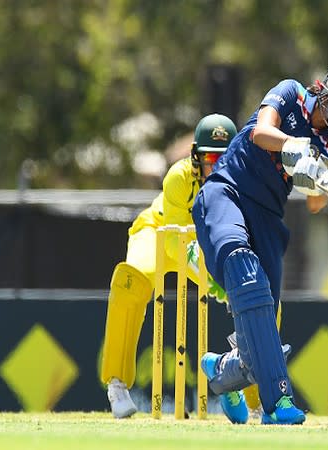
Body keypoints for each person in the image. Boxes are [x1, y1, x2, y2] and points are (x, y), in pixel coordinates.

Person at [192, 56, 328, 425]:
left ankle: (220, 372)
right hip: (228, 192)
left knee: (256, 342)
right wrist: (295, 148)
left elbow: (314, 204)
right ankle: (278, 404)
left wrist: (315, 175)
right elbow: (262, 133)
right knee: (246, 275)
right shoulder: (291, 94)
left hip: (267, 218)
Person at [100, 113, 249, 422]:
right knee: (130, 280)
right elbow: (176, 245)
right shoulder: (179, 177)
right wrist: (213, 280)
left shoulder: (244, 185)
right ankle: (116, 383)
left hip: (205, 244)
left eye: (222, 158)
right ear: (196, 156)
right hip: (159, 231)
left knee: (256, 290)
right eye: (208, 157)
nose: (214, 166)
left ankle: (262, 397)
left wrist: (232, 282)